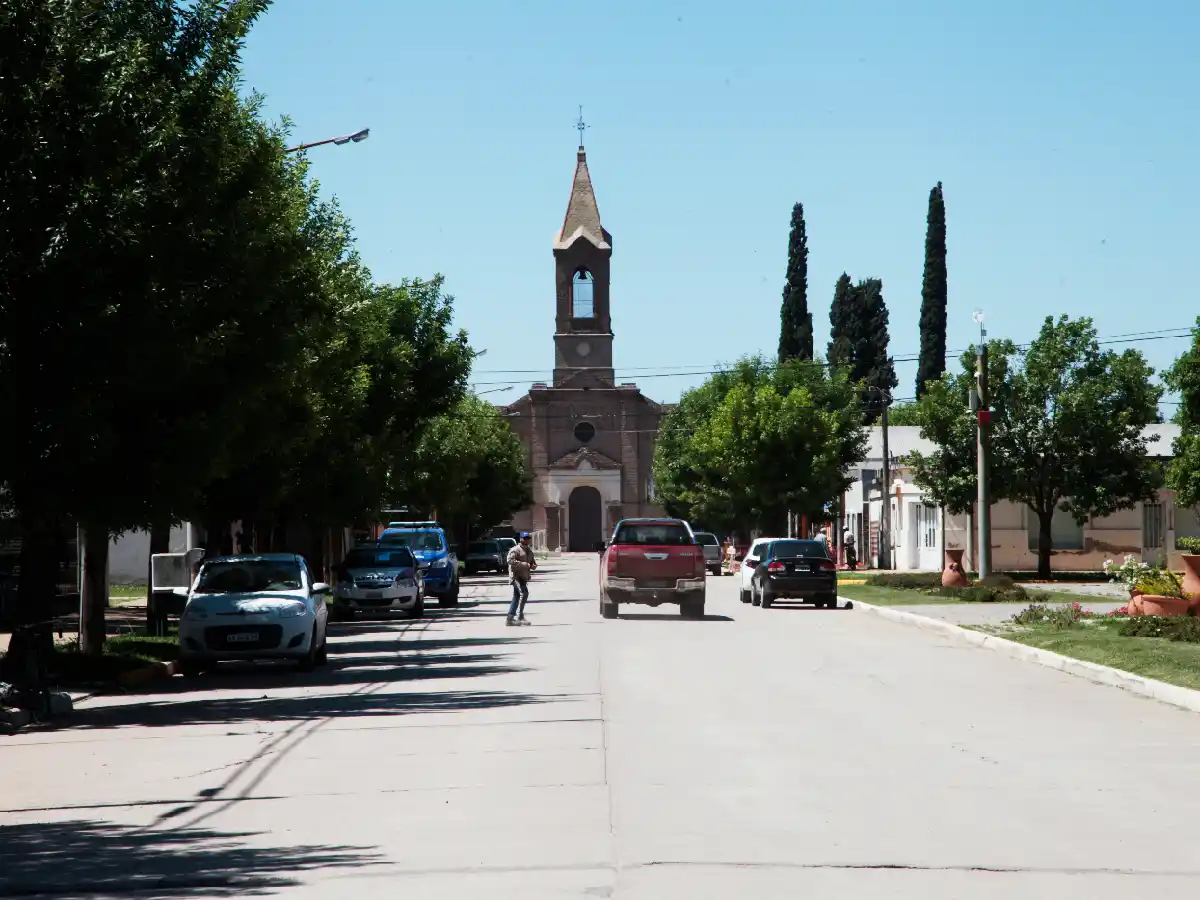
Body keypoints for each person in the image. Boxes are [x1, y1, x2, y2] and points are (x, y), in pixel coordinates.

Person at [506, 532, 538, 626]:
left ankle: (510, 619)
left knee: (516, 596)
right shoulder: (515, 550)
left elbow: (532, 561)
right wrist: (525, 565)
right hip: (516, 576)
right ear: (520, 539)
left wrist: (533, 565)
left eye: (528, 538)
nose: (527, 539)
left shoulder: (528, 550)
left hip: (524, 576)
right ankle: (520, 617)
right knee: (524, 593)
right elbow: (510, 561)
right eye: (525, 538)